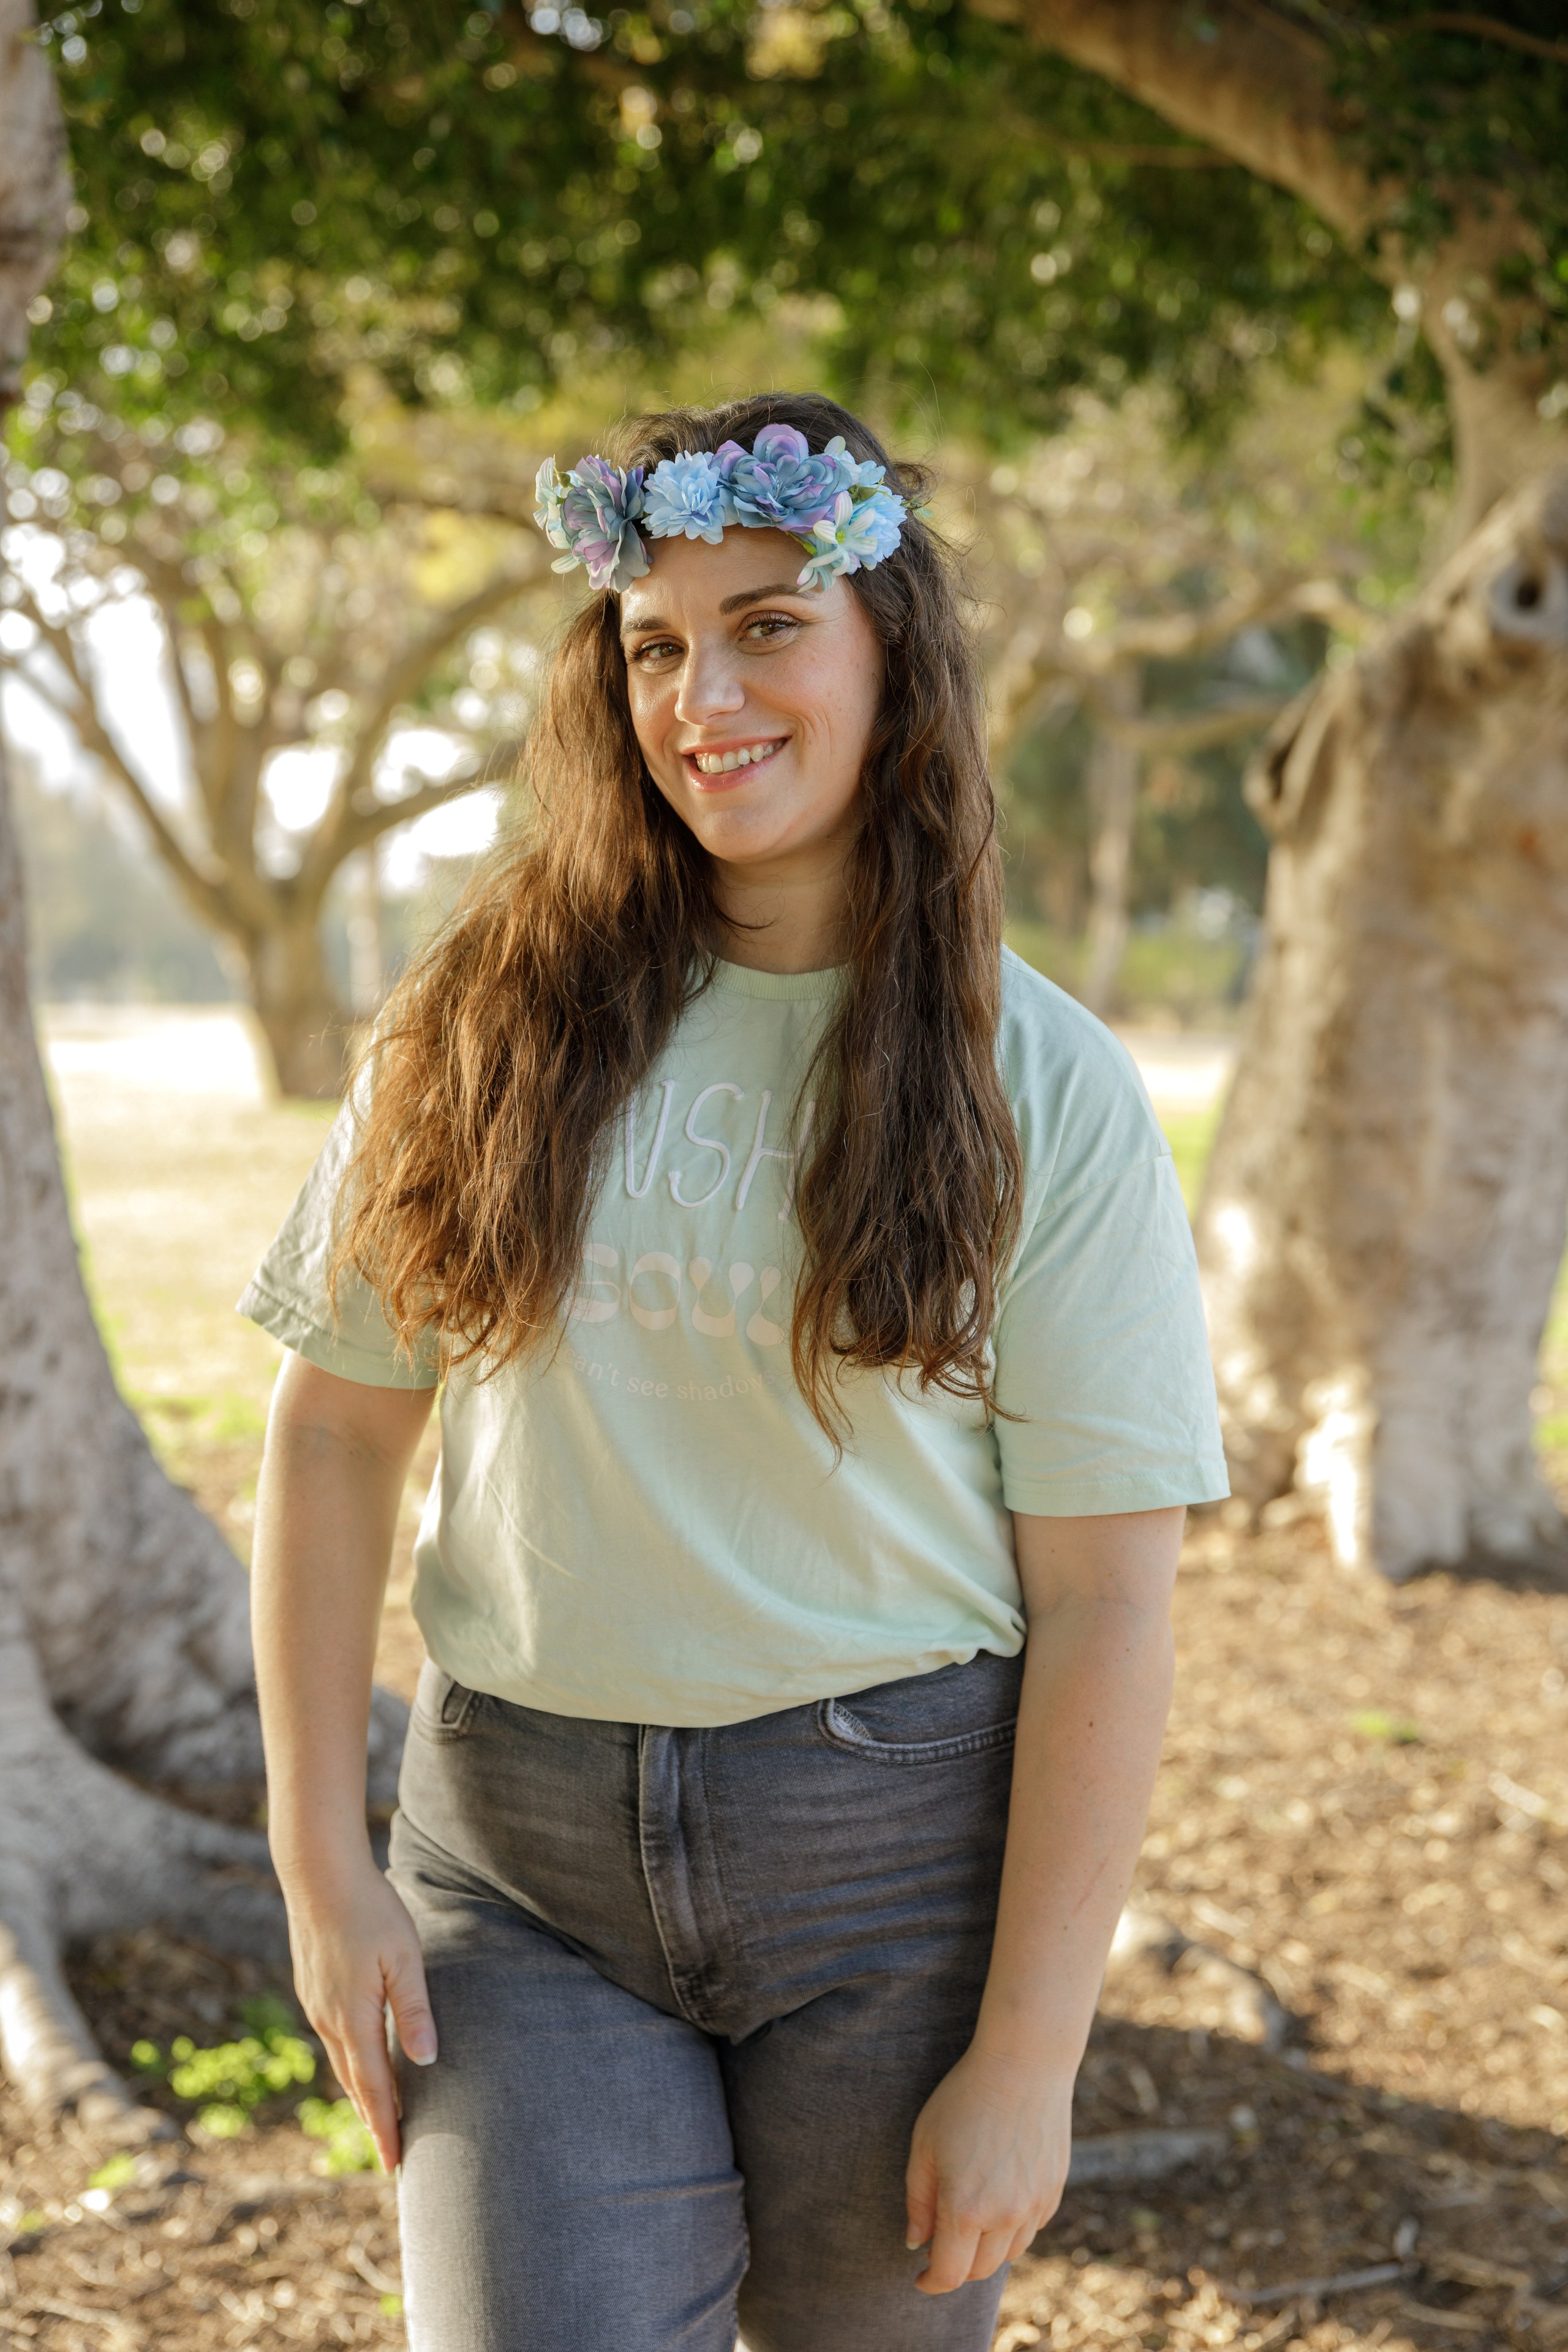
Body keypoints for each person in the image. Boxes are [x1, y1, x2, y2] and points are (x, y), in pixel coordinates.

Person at [243, 391, 1228, 2352]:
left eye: (771, 623)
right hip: (515, 1872)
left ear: (891, 656)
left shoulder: (1044, 1082)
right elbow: (340, 1434)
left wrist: (1030, 2051)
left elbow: (1110, 1592)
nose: (708, 693)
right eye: (657, 643)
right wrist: (317, 1865)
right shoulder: (478, 1026)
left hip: (897, 1874)